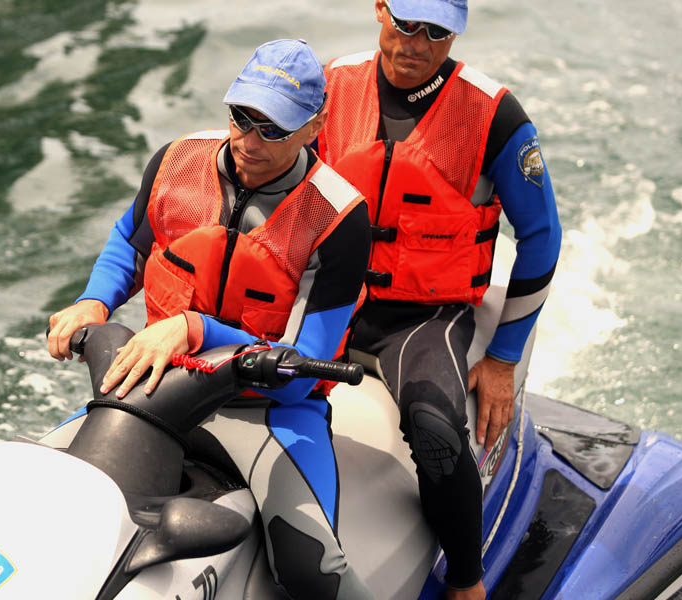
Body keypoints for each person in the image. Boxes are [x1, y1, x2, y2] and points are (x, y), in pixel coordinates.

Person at [47, 39, 374, 599]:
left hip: (266, 414)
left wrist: (197, 329)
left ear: (315, 126)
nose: (249, 141)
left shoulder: (339, 217)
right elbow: (130, 240)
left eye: (272, 128)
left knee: (310, 570)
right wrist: (94, 300)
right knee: (42, 500)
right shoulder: (176, 161)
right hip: (154, 393)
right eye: (241, 118)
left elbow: (298, 376)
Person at [316, 1, 563, 598]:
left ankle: (467, 582)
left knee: (436, 431)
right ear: (380, 8)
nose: (417, 43)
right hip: (325, 302)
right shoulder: (327, 87)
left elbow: (542, 238)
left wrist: (502, 360)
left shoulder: (495, 114)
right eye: (405, 23)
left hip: (424, 317)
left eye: (437, 31)